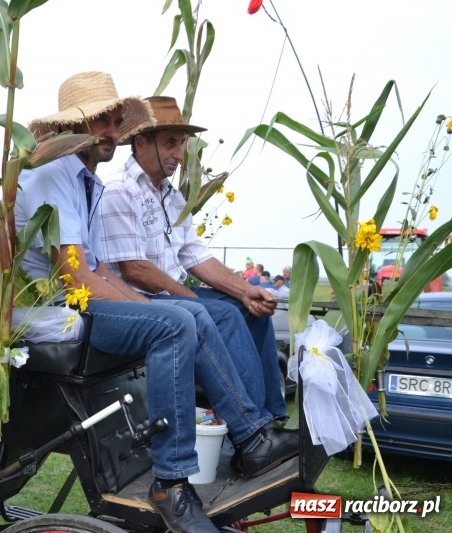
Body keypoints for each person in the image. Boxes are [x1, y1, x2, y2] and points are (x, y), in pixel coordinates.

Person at [16, 72, 297, 533]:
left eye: (112, 122)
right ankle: (171, 480)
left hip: (79, 300)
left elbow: (101, 271)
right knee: (174, 322)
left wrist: (160, 308)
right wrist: (156, 313)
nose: (108, 132)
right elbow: (74, 275)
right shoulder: (53, 175)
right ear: (69, 127)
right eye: (98, 123)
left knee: (186, 313)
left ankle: (252, 436)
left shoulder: (84, 178)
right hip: (53, 315)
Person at [98, 96, 288, 423]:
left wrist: (244, 290)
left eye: (182, 143)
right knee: (226, 315)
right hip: (140, 301)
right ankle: (255, 429)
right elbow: (134, 269)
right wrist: (192, 299)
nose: (179, 153)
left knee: (252, 311)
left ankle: (274, 415)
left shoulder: (172, 197)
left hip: (172, 295)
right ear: (141, 144)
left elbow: (196, 255)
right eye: (170, 143)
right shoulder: (120, 190)